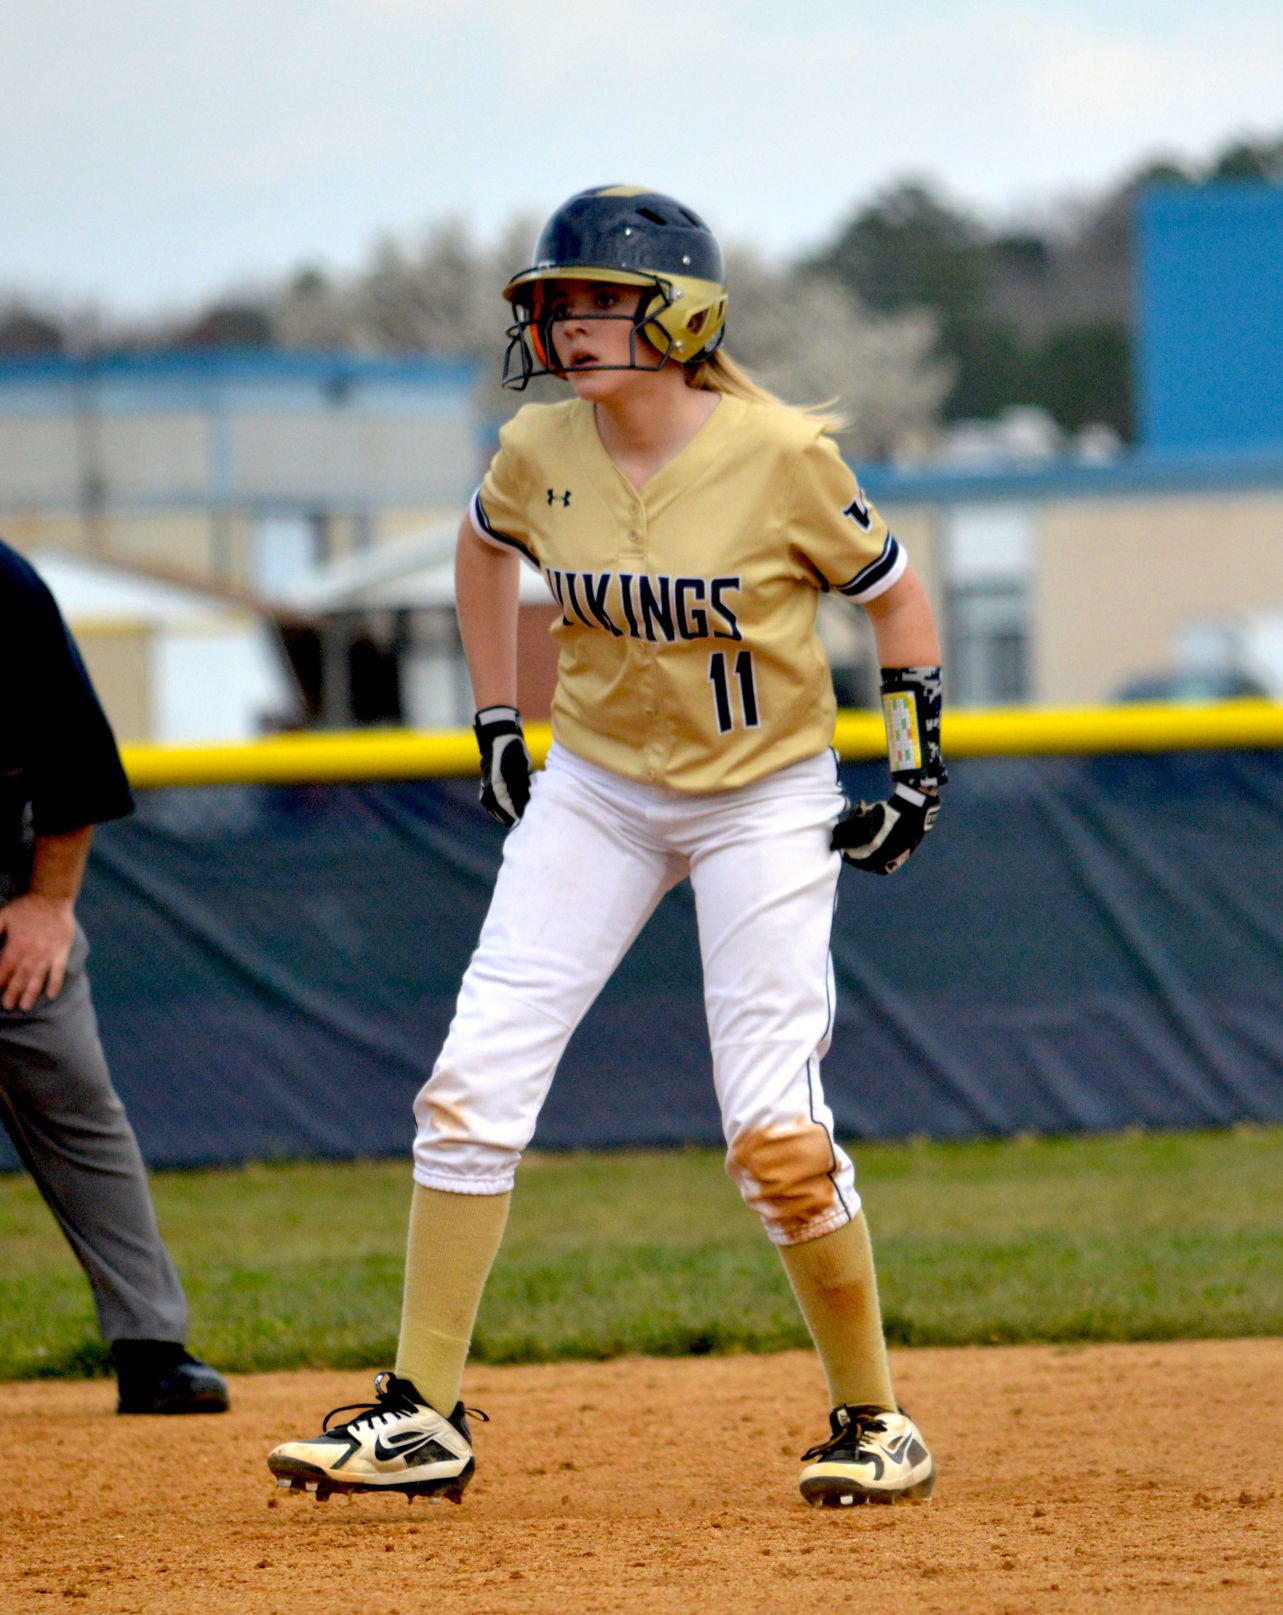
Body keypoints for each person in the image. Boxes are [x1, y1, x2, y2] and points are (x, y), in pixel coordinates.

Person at [268, 185, 944, 1508]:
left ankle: (874, 1417)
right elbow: (477, 552)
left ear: (679, 315)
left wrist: (911, 769)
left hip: (762, 794)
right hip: (599, 787)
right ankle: (421, 1413)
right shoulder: (536, 448)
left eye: (595, 299)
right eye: (554, 300)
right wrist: (494, 715)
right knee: (468, 1088)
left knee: (772, 1133)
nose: (564, 322)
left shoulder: (778, 454)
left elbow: (896, 595)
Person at [0, 538, 229, 1416]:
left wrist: (48, 906)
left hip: (8, 885)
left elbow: (75, 758)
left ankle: (152, 1346)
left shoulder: (3, 588)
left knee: (74, 1095)